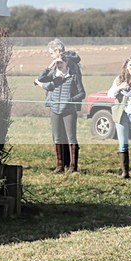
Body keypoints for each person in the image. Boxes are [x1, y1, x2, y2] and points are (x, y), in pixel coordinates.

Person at [34, 39, 86, 173]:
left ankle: (71, 165)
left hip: (68, 106)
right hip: (56, 105)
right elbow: (43, 79)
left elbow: (77, 89)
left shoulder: (71, 65)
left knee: (69, 136)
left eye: (52, 53)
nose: (51, 56)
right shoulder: (56, 67)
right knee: (59, 136)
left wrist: (70, 101)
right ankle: (62, 164)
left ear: (57, 51)